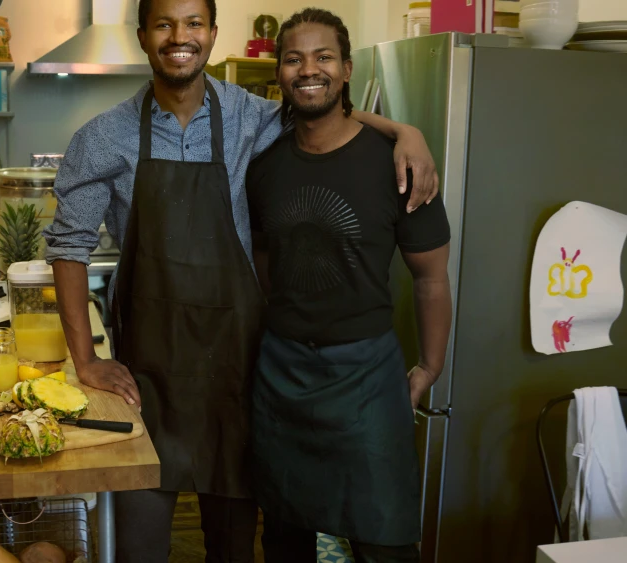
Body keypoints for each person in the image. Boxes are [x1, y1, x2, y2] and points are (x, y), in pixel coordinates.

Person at [43, 0, 441, 560]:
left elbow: (327, 111)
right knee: (139, 545)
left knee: (233, 548)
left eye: (193, 23)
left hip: (239, 372)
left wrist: (406, 131)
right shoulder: (103, 137)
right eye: (164, 24)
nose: (179, 37)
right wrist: (85, 361)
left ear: (210, 33)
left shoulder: (254, 116)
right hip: (148, 378)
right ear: (142, 35)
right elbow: (68, 249)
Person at [245, 8, 453, 563]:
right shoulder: (264, 168)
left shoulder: (399, 163)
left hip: (366, 377)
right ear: (280, 73)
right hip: (282, 376)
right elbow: (266, 256)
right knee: (286, 539)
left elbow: (431, 278)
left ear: (345, 70)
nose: (307, 69)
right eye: (294, 58)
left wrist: (429, 368)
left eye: (323, 56)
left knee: (383, 542)